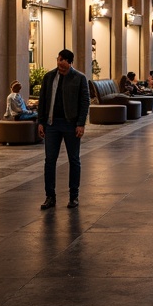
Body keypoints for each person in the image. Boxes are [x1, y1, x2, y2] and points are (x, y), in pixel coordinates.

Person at [37, 48, 90, 209]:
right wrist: (41, 122)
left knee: (74, 159)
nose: (59, 63)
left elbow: (84, 102)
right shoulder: (49, 77)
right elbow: (43, 101)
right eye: (58, 60)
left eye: (62, 61)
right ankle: (50, 196)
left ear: (69, 62)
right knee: (49, 161)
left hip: (70, 124)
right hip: (52, 124)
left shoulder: (79, 78)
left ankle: (74, 196)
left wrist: (81, 123)